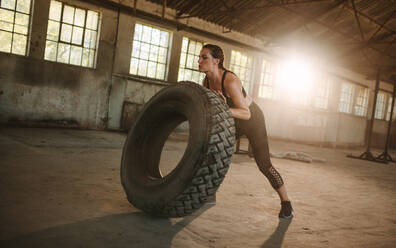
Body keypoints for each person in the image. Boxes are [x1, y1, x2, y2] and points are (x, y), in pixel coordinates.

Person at [198, 44, 293, 219]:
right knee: (212, 152)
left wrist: (224, 108)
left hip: (252, 120)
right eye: (199, 57)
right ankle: (209, 194)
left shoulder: (230, 80)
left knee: (264, 165)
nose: (199, 60)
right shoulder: (206, 81)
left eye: (204, 57)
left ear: (216, 61)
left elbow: (246, 113)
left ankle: (286, 204)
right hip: (233, 119)